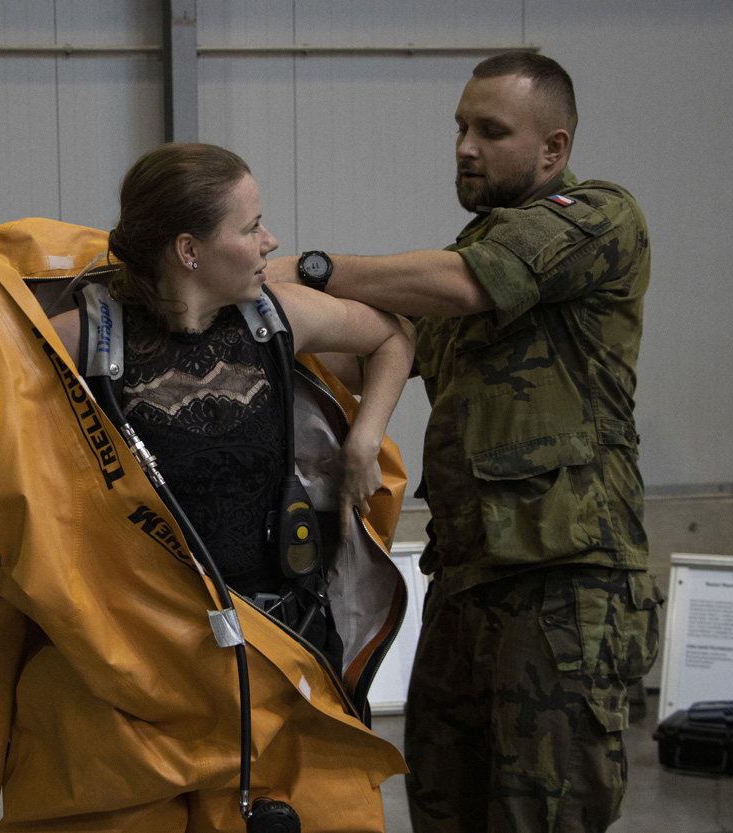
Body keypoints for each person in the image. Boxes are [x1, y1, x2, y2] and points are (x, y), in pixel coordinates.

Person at [0, 141, 416, 831]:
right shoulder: (82, 339)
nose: (271, 241)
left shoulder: (277, 317)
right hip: (134, 676)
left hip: (271, 656)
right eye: (251, 227)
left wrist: (365, 437)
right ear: (189, 250)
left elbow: (393, 337)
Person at [267, 52, 663, 832]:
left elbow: (466, 281)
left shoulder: (598, 217)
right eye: (460, 127)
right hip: (464, 584)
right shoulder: (467, 265)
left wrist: (312, 269)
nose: (465, 148)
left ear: (552, 147)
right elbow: (369, 353)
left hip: (563, 587)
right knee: (444, 805)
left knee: (539, 814)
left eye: (491, 131)